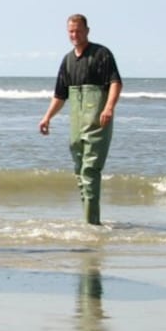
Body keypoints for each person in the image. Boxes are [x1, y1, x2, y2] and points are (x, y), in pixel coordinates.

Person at [38, 14, 123, 226]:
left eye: (78, 30)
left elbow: (115, 82)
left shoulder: (102, 54)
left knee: (90, 169)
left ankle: (92, 223)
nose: (74, 35)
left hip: (97, 119)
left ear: (87, 31)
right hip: (76, 122)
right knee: (79, 171)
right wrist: (47, 117)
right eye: (71, 31)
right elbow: (60, 95)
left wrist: (109, 107)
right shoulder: (67, 60)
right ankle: (90, 222)